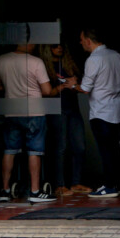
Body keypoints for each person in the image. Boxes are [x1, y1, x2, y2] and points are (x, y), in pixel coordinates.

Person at [0, 37, 60, 203]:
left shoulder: (2, 60)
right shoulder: (35, 62)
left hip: (11, 111)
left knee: (9, 150)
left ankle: (5, 190)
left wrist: (11, 87)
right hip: (33, 111)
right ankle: (35, 191)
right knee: (34, 151)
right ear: (28, 43)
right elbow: (47, 91)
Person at [77, 29, 120, 198]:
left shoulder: (94, 59)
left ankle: (109, 187)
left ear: (89, 40)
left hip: (100, 111)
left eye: (82, 39)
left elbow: (85, 88)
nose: (80, 43)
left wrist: (72, 85)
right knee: (115, 147)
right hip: (116, 110)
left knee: (106, 150)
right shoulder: (117, 56)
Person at [41, 42, 90, 197]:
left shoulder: (69, 65)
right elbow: (44, 92)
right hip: (56, 109)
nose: (59, 48)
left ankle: (76, 182)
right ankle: (59, 185)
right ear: (48, 48)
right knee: (60, 147)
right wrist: (62, 87)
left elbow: (82, 87)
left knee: (79, 146)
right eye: (55, 45)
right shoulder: (44, 67)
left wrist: (75, 84)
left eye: (62, 45)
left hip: (73, 109)